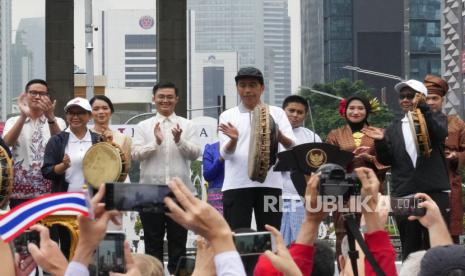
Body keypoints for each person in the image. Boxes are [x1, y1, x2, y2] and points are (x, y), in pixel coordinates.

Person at [363, 79, 450, 260]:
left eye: (410, 96)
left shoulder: (436, 119)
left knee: (438, 248)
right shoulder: (393, 128)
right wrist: (379, 141)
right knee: (409, 248)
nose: (405, 100)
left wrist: (424, 110)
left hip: (434, 192)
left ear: (421, 98)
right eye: (402, 96)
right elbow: (387, 159)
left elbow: (438, 134)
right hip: (404, 192)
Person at [131, 81, 201, 274]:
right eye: (161, 96)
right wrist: (156, 142)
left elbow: (195, 154)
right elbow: (135, 154)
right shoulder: (143, 126)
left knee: (178, 242)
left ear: (177, 99)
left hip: (180, 192)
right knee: (153, 243)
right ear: (153, 99)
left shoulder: (188, 125)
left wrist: (179, 141)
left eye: (170, 97)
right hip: (149, 192)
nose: (165, 100)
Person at [218, 67, 296, 231]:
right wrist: (233, 140)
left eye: (252, 85)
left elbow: (293, 147)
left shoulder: (277, 113)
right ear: (237, 88)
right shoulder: (227, 115)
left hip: (271, 185)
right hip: (236, 185)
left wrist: (278, 135)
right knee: (237, 236)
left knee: (271, 234)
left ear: (262, 88)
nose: (247, 90)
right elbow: (225, 154)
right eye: (242, 85)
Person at [326, 94, 388, 265]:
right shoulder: (335, 134)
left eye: (360, 108)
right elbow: (328, 163)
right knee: (343, 230)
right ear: (345, 111)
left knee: (373, 230)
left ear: (367, 111)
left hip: (371, 188)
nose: (355, 112)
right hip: (344, 190)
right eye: (352, 108)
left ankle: (373, 270)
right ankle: (346, 268)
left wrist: (371, 158)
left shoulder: (379, 132)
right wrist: (349, 157)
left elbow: (389, 159)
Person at [41, 97, 101, 258]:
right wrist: (62, 166)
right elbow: (46, 171)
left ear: (89, 116)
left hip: (91, 202)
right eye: (71, 113)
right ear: (66, 116)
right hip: (65, 202)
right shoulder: (57, 141)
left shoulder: (98, 140)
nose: (75, 117)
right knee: (67, 244)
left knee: (91, 245)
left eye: (80, 113)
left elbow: (107, 171)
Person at [3, 79, 65, 209]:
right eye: (33, 93)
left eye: (42, 94)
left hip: (49, 191)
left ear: (48, 97)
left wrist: (50, 118)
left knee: (48, 229)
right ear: (25, 95)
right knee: (22, 229)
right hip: (19, 193)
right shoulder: (13, 121)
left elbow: (61, 146)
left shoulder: (57, 121)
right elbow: (6, 143)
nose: (37, 97)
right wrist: (23, 117)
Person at [424, 74, 464, 244]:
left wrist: (456, 156)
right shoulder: (415, 124)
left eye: (435, 98)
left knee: (450, 235)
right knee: (422, 233)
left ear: (442, 100)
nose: (431, 102)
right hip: (423, 183)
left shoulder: (456, 124)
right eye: (427, 98)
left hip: (449, 183)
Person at [280, 95, 321, 245]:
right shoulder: (272, 134)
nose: (295, 115)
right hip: (276, 197)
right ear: (283, 111)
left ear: (306, 115)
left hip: (302, 199)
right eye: (291, 110)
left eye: (300, 112)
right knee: (278, 245)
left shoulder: (312, 136)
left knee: (303, 243)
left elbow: (319, 167)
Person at [89, 95, 132, 177]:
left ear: (111, 111)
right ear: (90, 113)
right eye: (96, 109)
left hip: (117, 183)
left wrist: (110, 144)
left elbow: (126, 167)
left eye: (105, 108)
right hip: (91, 182)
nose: (101, 112)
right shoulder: (85, 136)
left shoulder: (123, 138)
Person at [202, 141, 224, 214]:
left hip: (237, 195)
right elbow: (207, 175)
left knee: (238, 225)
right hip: (216, 197)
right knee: (217, 225)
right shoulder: (211, 149)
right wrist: (220, 159)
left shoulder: (240, 148)